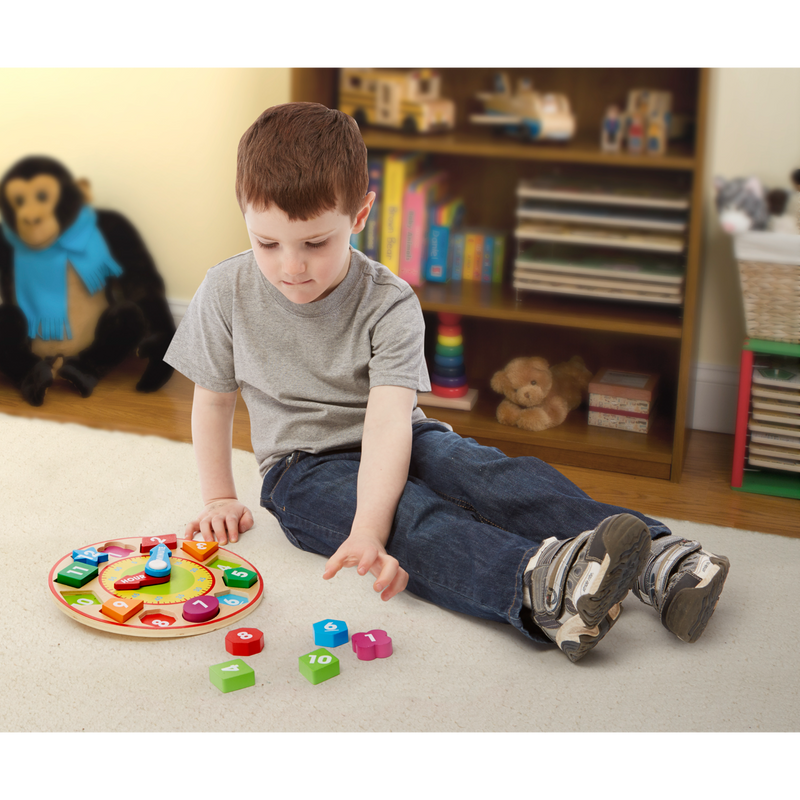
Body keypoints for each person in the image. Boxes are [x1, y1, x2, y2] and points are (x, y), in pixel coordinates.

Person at [164, 103, 730, 663]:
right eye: (268, 243)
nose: (291, 266)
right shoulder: (225, 290)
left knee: (488, 476)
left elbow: (388, 422)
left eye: (315, 243)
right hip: (302, 467)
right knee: (412, 519)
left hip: (400, 435)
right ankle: (544, 589)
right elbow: (213, 402)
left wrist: (370, 520)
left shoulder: (390, 301)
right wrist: (222, 496)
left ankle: (661, 559)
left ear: (360, 215)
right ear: (244, 216)